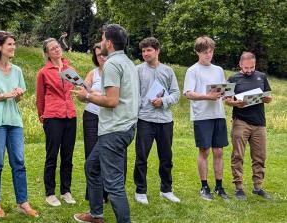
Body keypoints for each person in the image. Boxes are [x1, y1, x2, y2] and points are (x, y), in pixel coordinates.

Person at [72, 24, 139, 223]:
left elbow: (111, 101)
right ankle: (96, 215)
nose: (100, 43)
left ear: (108, 43)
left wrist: (87, 97)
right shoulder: (128, 62)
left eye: (102, 38)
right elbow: (117, 95)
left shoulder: (111, 64)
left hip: (114, 130)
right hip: (124, 127)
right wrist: (91, 94)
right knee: (92, 167)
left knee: (113, 183)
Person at [0, 31, 38, 218]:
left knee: (19, 162)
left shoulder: (18, 70)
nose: (13, 47)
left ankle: (23, 202)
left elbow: (17, 100)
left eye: (14, 44)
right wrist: (4, 95)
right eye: (9, 44)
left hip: (14, 120)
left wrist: (18, 95)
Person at [133, 37, 181, 204]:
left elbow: (176, 94)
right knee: (141, 157)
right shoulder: (137, 70)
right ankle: (140, 191)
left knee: (166, 157)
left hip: (165, 120)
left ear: (157, 51)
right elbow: (134, 95)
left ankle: (166, 190)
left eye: (149, 50)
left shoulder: (168, 71)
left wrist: (163, 101)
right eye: (143, 51)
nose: (145, 53)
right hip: (145, 119)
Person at [183, 36, 229, 201]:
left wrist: (230, 98)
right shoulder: (192, 70)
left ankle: (219, 186)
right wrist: (207, 96)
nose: (208, 55)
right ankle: (204, 187)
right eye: (204, 52)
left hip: (219, 114)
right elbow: (188, 93)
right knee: (205, 151)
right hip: (202, 116)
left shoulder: (218, 70)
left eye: (210, 51)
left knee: (219, 151)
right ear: (197, 52)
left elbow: (223, 92)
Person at [225, 52, 273, 200]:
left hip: (259, 123)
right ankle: (239, 187)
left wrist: (267, 98)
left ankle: (258, 187)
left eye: (252, 67)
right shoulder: (233, 78)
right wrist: (236, 103)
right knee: (238, 155)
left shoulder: (261, 76)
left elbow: (269, 97)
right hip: (241, 121)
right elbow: (227, 100)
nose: (249, 70)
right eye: (246, 68)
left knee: (260, 156)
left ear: (255, 64)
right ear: (240, 65)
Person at [36, 38, 77, 206]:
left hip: (70, 116)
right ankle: (50, 193)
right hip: (52, 116)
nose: (57, 50)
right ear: (47, 53)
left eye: (58, 47)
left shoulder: (70, 69)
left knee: (67, 156)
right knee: (52, 155)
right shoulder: (43, 72)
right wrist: (42, 117)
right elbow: (40, 98)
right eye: (52, 48)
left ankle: (66, 191)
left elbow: (78, 89)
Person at [82, 43, 109, 202]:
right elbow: (82, 96)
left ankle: (106, 192)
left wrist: (94, 92)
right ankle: (93, 194)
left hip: (109, 118)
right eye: (98, 55)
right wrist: (83, 93)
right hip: (92, 116)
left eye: (104, 54)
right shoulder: (92, 73)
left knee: (107, 155)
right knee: (91, 154)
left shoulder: (115, 72)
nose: (101, 58)